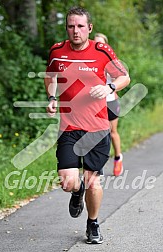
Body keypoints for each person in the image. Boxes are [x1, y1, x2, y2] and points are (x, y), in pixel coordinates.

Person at [45, 6, 130, 244]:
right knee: (68, 181)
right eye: (71, 26)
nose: (76, 31)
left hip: (97, 128)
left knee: (94, 181)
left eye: (81, 26)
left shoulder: (101, 51)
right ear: (66, 28)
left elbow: (124, 76)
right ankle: (76, 190)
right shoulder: (57, 51)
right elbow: (50, 77)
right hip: (69, 128)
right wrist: (52, 98)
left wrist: (109, 87)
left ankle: (93, 223)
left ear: (89, 28)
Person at [94, 33, 124, 176]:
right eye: (96, 43)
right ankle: (97, 164)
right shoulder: (89, 60)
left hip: (110, 101)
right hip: (94, 104)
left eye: (102, 43)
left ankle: (118, 158)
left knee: (112, 133)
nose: (99, 45)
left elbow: (121, 79)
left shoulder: (111, 61)